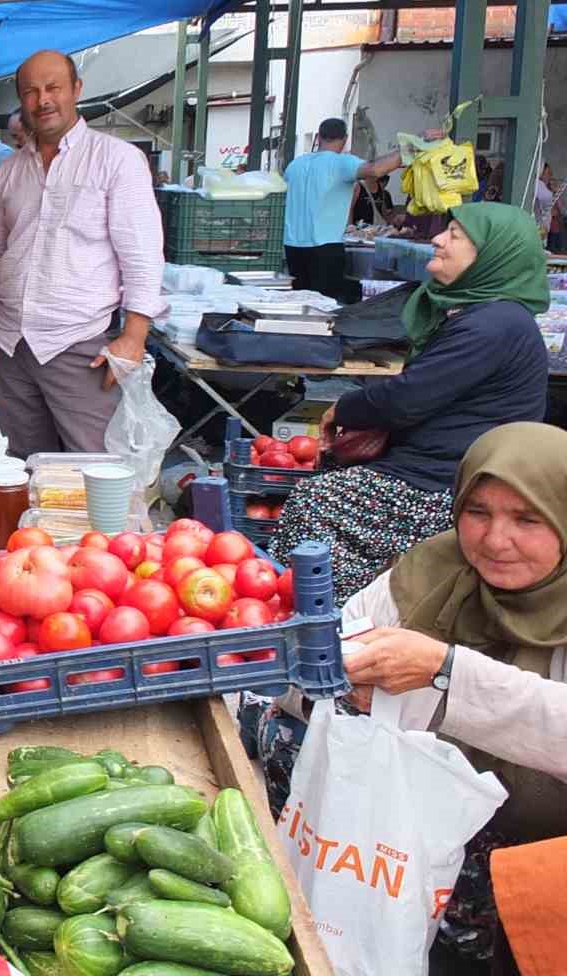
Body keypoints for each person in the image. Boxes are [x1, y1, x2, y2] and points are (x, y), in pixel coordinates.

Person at [247, 422, 567, 973]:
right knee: (287, 735)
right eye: (478, 512)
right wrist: (339, 683)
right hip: (411, 814)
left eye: (528, 519)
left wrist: (446, 673)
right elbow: (324, 660)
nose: (495, 540)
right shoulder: (433, 569)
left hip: (536, 843)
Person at [271, 202, 550, 600]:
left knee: (314, 502)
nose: (437, 240)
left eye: (454, 235)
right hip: (436, 468)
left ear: (491, 256)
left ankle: (335, 615)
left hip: (446, 485)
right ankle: (367, 602)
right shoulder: (484, 315)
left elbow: (406, 398)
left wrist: (342, 409)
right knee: (326, 481)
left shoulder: (495, 324)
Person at [0, 49, 167, 456]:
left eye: (53, 88)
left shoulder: (117, 160)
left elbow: (141, 254)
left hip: (81, 344)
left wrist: (134, 336)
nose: (43, 100)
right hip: (13, 345)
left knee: (93, 466)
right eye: (31, 92)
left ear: (77, 90)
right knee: (22, 464)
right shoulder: (8, 172)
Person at [281, 117, 404, 303]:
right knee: (325, 304)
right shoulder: (342, 162)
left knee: (300, 301)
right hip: (325, 247)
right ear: (345, 139)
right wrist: (411, 148)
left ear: (318, 137)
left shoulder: (295, 165)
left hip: (293, 247)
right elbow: (375, 170)